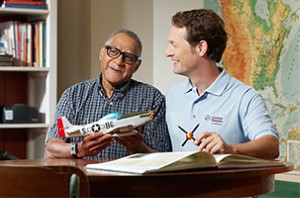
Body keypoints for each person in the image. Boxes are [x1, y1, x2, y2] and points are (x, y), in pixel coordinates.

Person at [165, 9, 279, 160]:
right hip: (177, 184)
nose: (168, 52)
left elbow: (271, 146)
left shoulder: (245, 98)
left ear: (201, 48)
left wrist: (231, 149)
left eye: (174, 45)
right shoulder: (171, 95)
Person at [45, 29, 172, 160]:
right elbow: (51, 147)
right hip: (84, 178)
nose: (118, 62)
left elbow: (162, 157)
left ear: (136, 65)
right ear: (102, 53)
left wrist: (139, 147)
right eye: (113, 51)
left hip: (128, 180)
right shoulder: (73, 94)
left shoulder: (153, 98)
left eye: (128, 57)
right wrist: (79, 149)